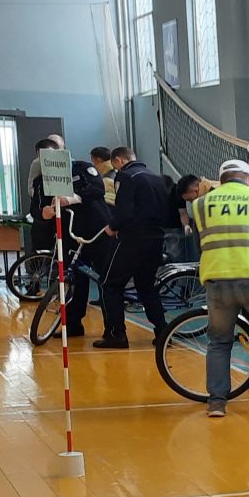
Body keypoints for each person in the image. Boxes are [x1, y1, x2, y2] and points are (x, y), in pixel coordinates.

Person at [190, 160, 249, 418]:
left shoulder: (200, 205)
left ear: (222, 180)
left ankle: (217, 402)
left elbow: (199, 243)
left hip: (218, 281)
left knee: (218, 342)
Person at [32, 140, 115, 338]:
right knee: (73, 281)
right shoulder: (41, 181)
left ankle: (112, 329)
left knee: (107, 279)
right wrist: (44, 213)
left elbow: (97, 190)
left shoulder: (83, 168)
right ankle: (73, 324)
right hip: (69, 236)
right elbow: (35, 209)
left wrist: (70, 199)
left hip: (97, 232)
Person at [95, 146, 170, 348]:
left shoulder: (126, 176)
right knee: (146, 286)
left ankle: (116, 334)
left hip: (133, 239)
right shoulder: (156, 177)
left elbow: (125, 211)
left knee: (109, 283)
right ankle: (163, 332)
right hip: (156, 238)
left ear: (118, 160)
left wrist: (113, 227)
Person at [170, 174, 207, 262]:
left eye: (190, 200)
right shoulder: (200, 198)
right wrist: (186, 225)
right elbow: (183, 213)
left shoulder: (211, 195)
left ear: (195, 191)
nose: (190, 202)